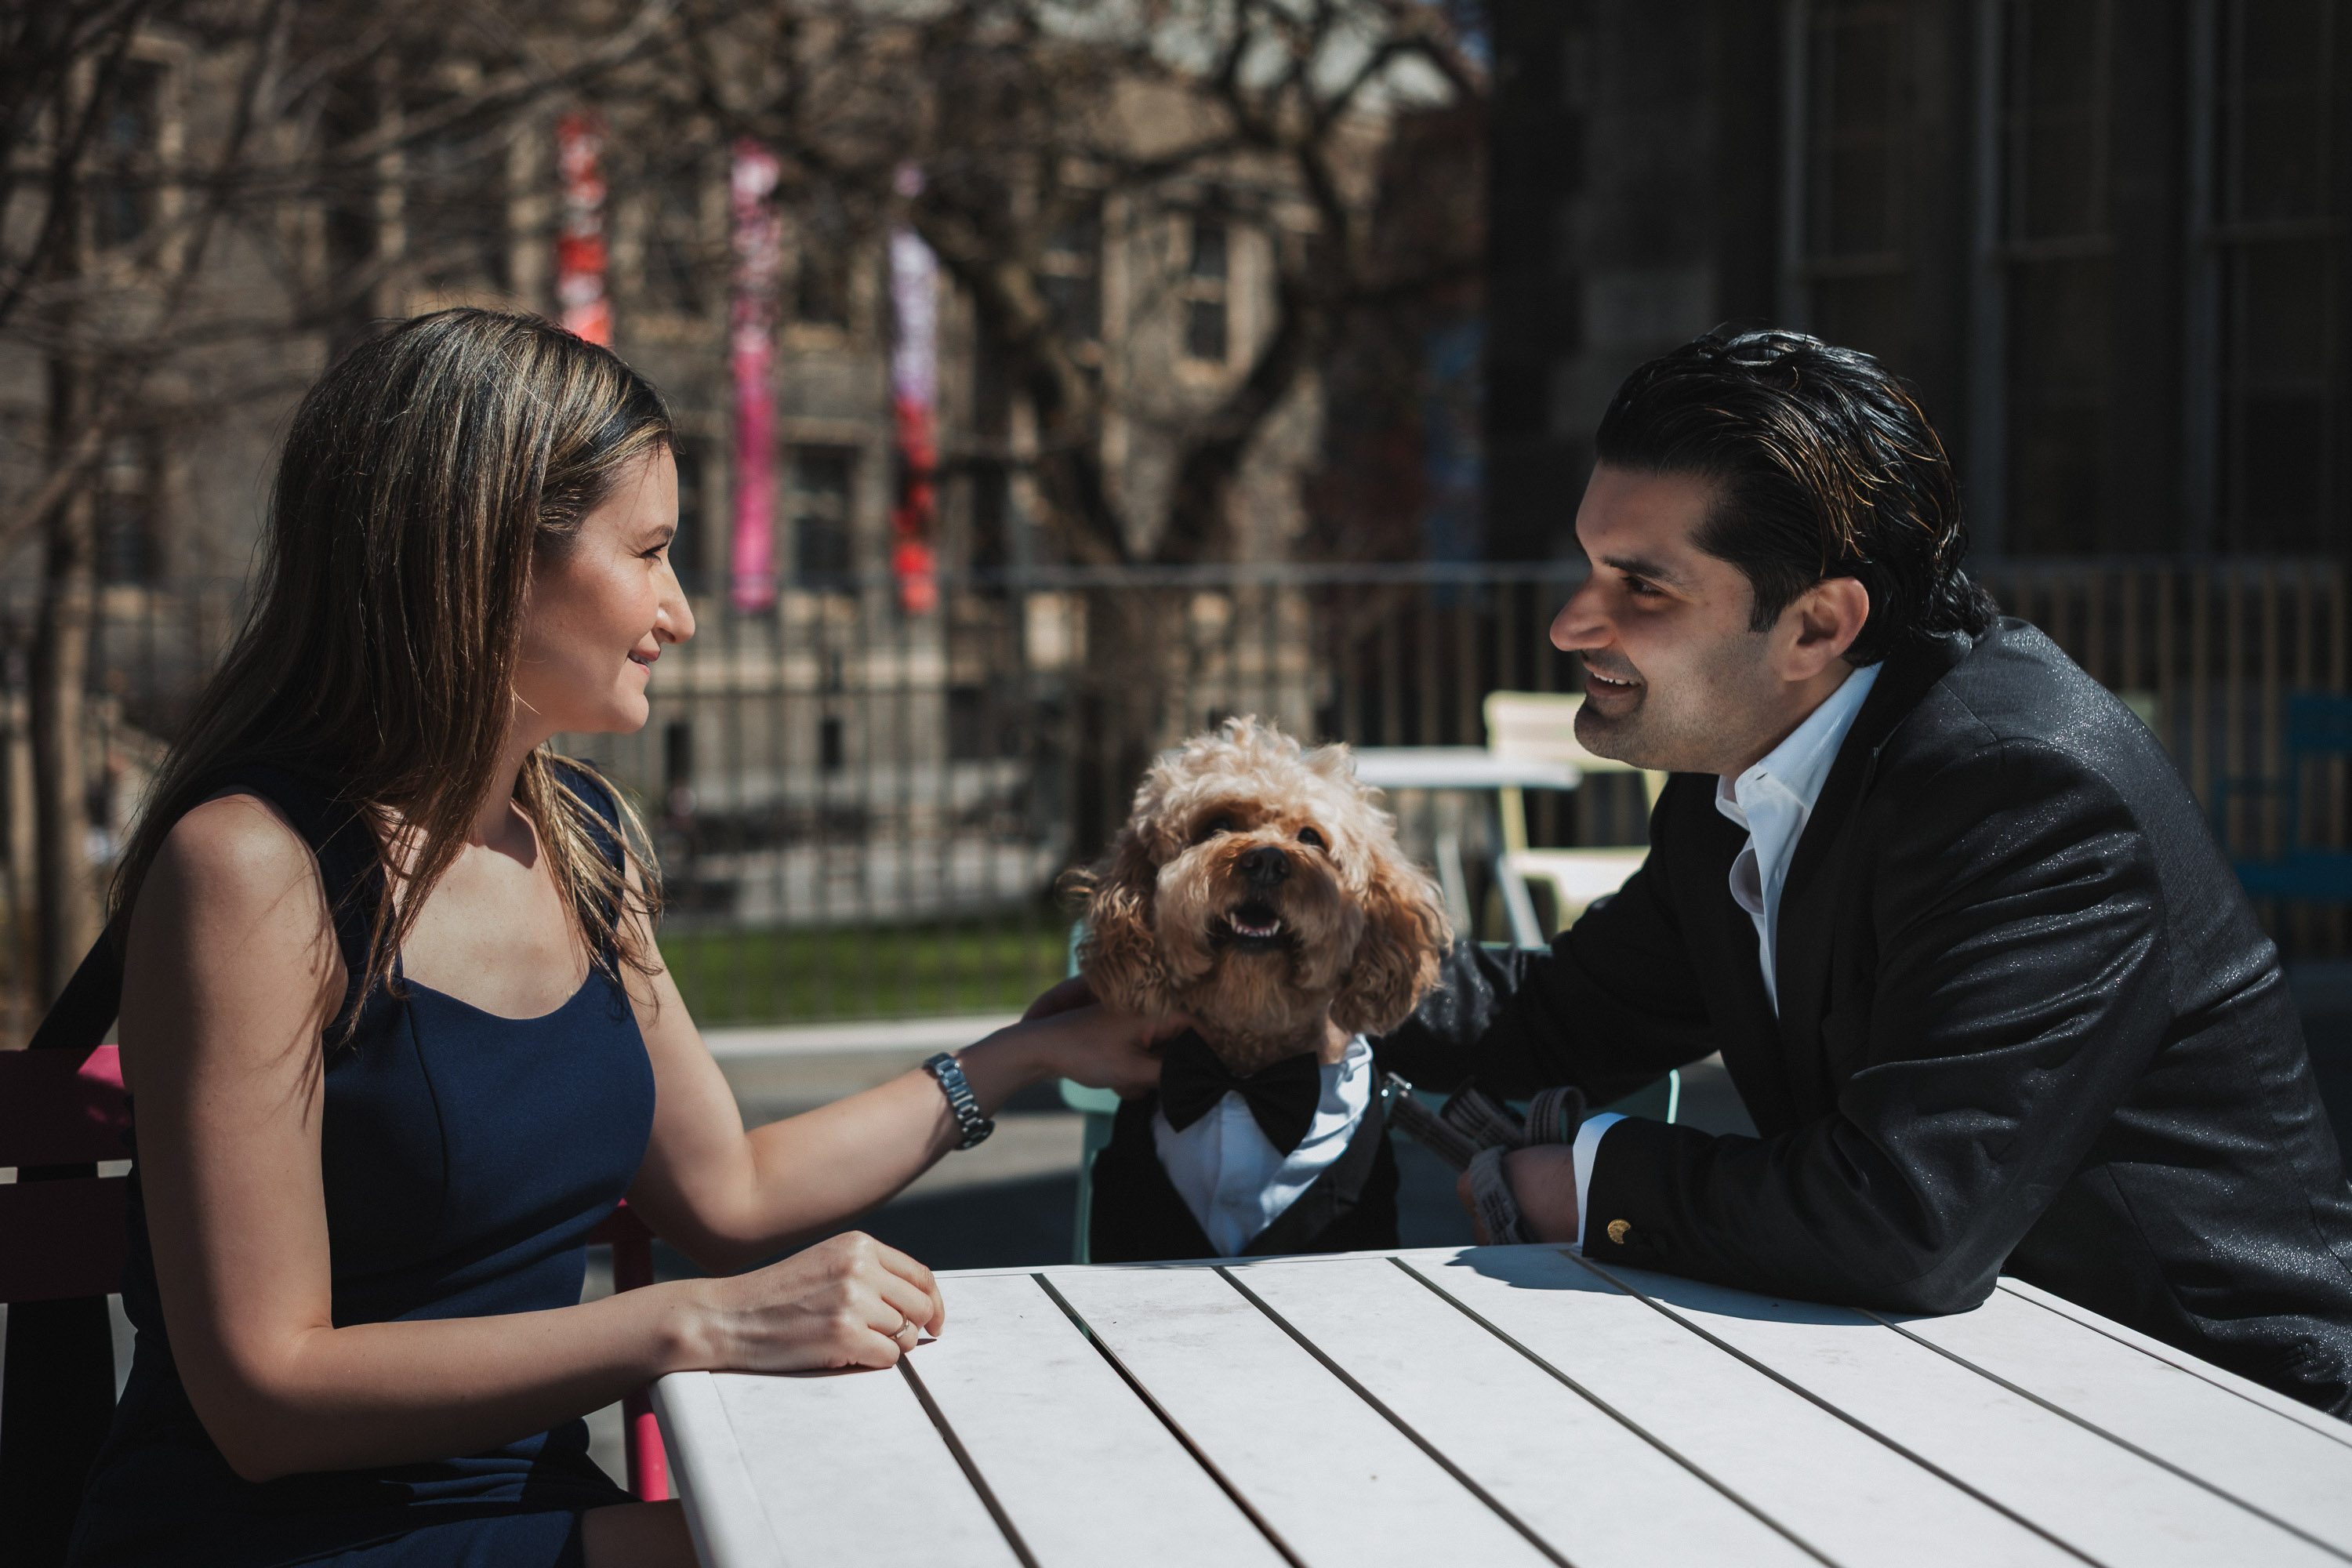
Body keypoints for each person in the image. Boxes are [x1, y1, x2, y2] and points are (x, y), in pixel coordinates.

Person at [67, 309, 1174, 1568]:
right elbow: (265, 1397)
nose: (681, 610)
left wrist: (1021, 1060)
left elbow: (730, 1195)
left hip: (536, 1509)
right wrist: (689, 1326)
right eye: (649, 552)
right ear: (483, 558)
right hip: (275, 1539)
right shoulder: (253, 870)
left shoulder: (580, 837)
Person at [1377, 328, 2352, 1417]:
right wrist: (1264, 968)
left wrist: (1591, 1180)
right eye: (1587, 565)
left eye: (1642, 586)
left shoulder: (2018, 788)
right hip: (1969, 1384)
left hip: (2220, 1417)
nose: (1570, 623)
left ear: (1818, 625)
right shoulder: (1736, 772)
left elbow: (1902, 1217)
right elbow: (1561, 1016)